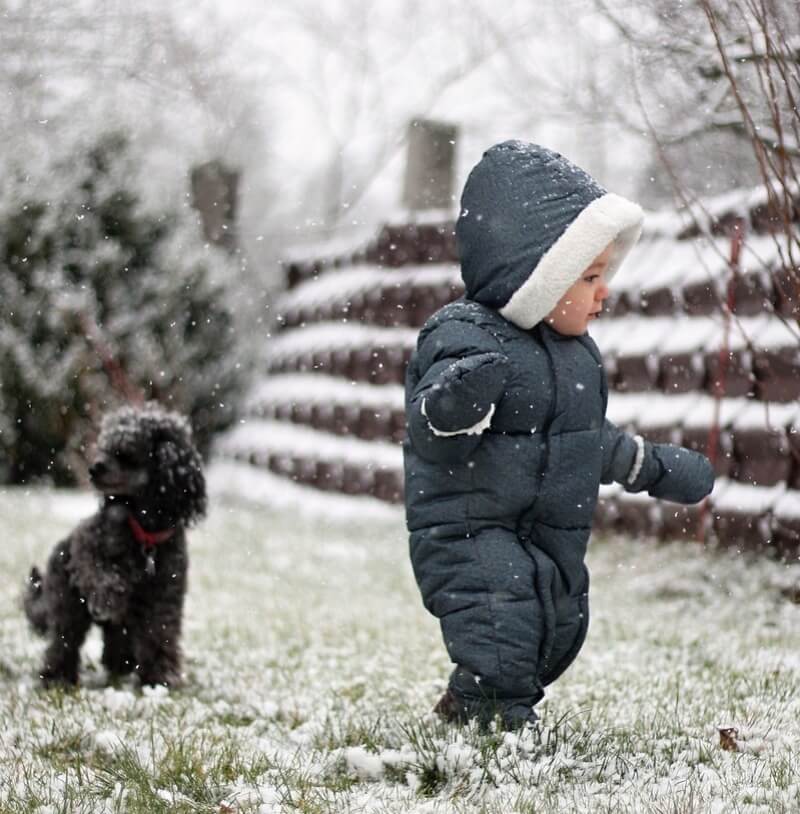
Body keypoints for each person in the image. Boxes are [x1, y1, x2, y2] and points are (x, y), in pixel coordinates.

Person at [403, 140, 715, 730]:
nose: (605, 291)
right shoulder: (464, 337)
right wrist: (459, 400)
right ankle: (498, 723)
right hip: (468, 526)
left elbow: (584, 440)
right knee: (503, 618)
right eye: (590, 275)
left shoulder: (575, 358)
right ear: (536, 279)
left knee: (555, 621)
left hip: (545, 529)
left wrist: (651, 465)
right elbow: (433, 432)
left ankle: (471, 703)